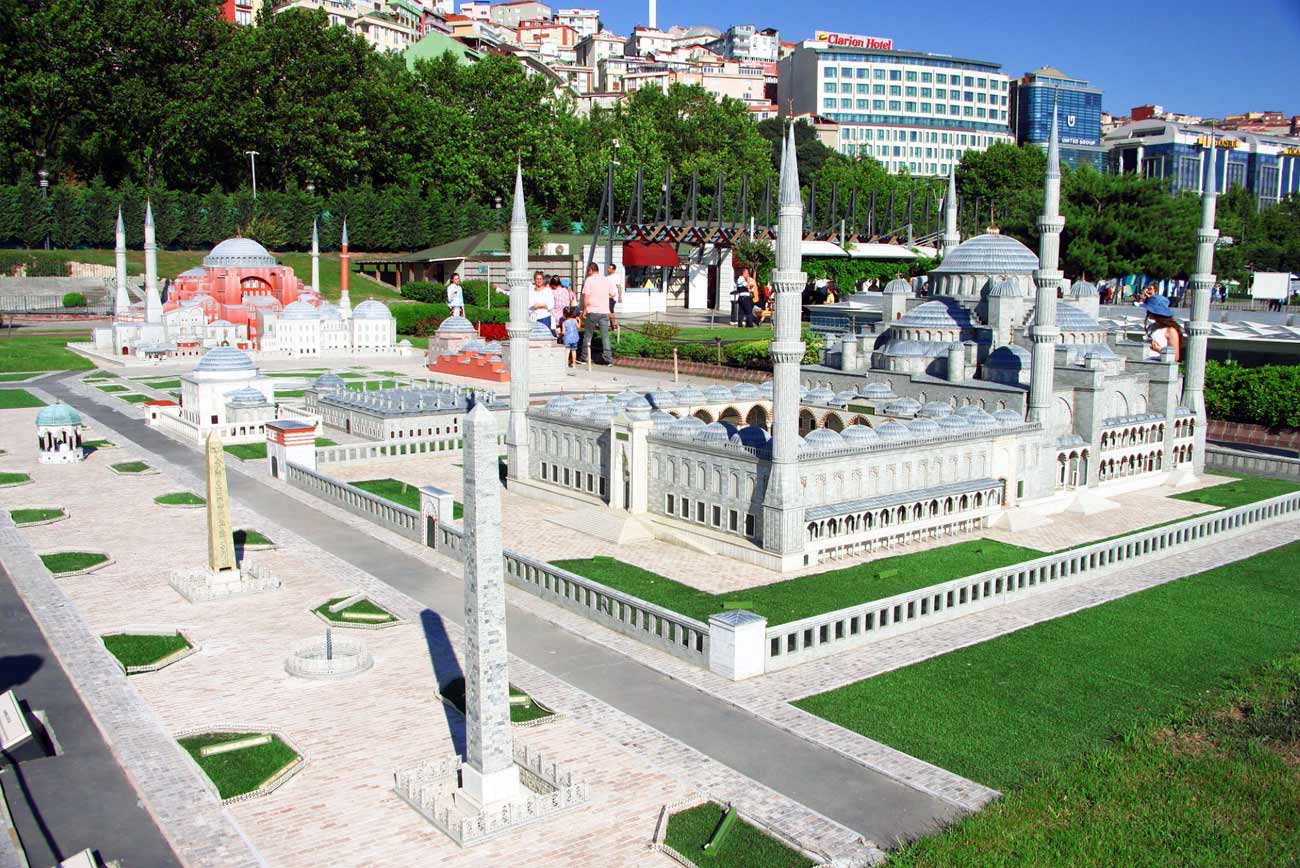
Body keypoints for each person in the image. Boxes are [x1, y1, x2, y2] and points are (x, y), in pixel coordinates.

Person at [579, 262, 615, 365]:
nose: (588, 273)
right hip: (604, 311)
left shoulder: (589, 280)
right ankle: (609, 360)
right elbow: (612, 294)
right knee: (605, 336)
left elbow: (586, 297)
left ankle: (583, 358)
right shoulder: (606, 279)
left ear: (590, 270)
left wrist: (585, 310)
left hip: (592, 311)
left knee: (588, 335)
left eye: (588, 271)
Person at [1140, 294, 1182, 361]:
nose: (1147, 312)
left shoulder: (1170, 330)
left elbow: (1175, 357)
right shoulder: (1151, 327)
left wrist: (1159, 349)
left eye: (1149, 311)